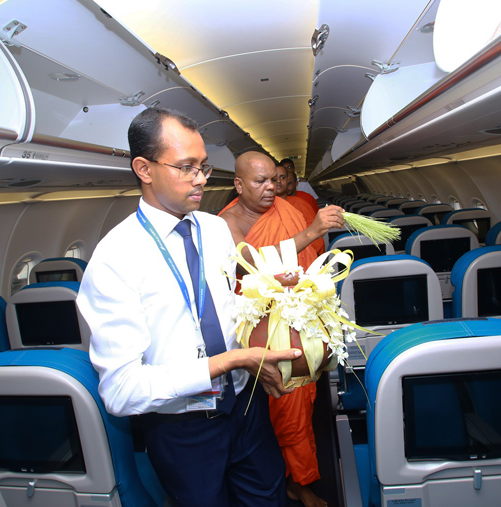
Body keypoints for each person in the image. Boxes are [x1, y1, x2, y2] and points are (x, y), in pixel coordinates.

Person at [77, 108, 302, 507]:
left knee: (270, 499)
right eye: (186, 167)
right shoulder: (115, 258)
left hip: (246, 406)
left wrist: (271, 296)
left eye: (203, 166)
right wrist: (228, 361)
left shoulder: (214, 230)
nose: (201, 179)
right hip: (183, 430)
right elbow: (121, 391)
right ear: (144, 169)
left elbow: (224, 305)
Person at [219, 152, 344, 507]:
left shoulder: (287, 210)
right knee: (264, 412)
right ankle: (279, 480)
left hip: (297, 319)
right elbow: (248, 264)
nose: (271, 188)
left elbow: (311, 258)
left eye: (274, 180)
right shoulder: (227, 221)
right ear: (239, 185)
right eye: (260, 181)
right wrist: (312, 231)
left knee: (296, 408)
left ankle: (298, 481)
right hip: (254, 330)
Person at [275, 164, 324, 255]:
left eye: (282, 177)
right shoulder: (261, 207)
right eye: (274, 179)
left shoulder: (301, 204)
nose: (278, 181)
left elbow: (315, 236)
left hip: (303, 254)